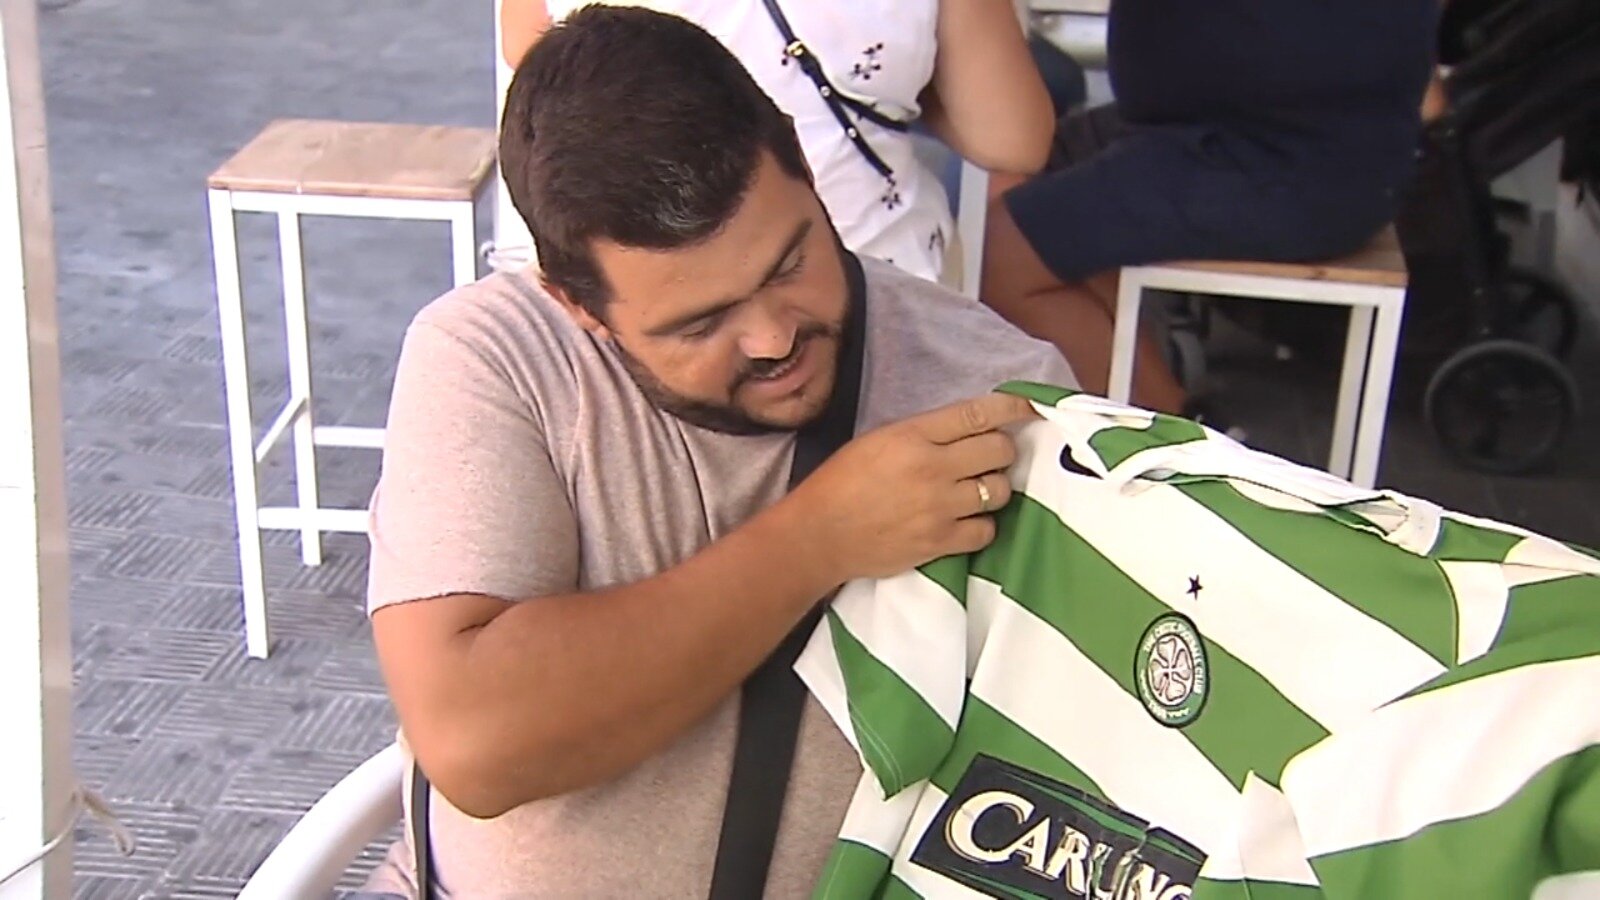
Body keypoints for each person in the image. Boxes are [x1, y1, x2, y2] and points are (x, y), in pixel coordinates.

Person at [356, 6, 1076, 897]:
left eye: (789, 264)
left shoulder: (994, 385)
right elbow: (476, 744)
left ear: (804, 169)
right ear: (578, 305)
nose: (774, 338)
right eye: (701, 323)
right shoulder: (496, 356)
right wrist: (820, 537)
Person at [980, 0, 1441, 416]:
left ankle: (1168, 445)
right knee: (1019, 169)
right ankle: (1165, 404)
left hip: (1287, 157)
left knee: (998, 254)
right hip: (1252, 131)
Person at [497, 0, 1053, 287]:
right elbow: (1015, 139)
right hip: (881, 289)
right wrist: (902, 92)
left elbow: (534, 67)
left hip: (650, 312)